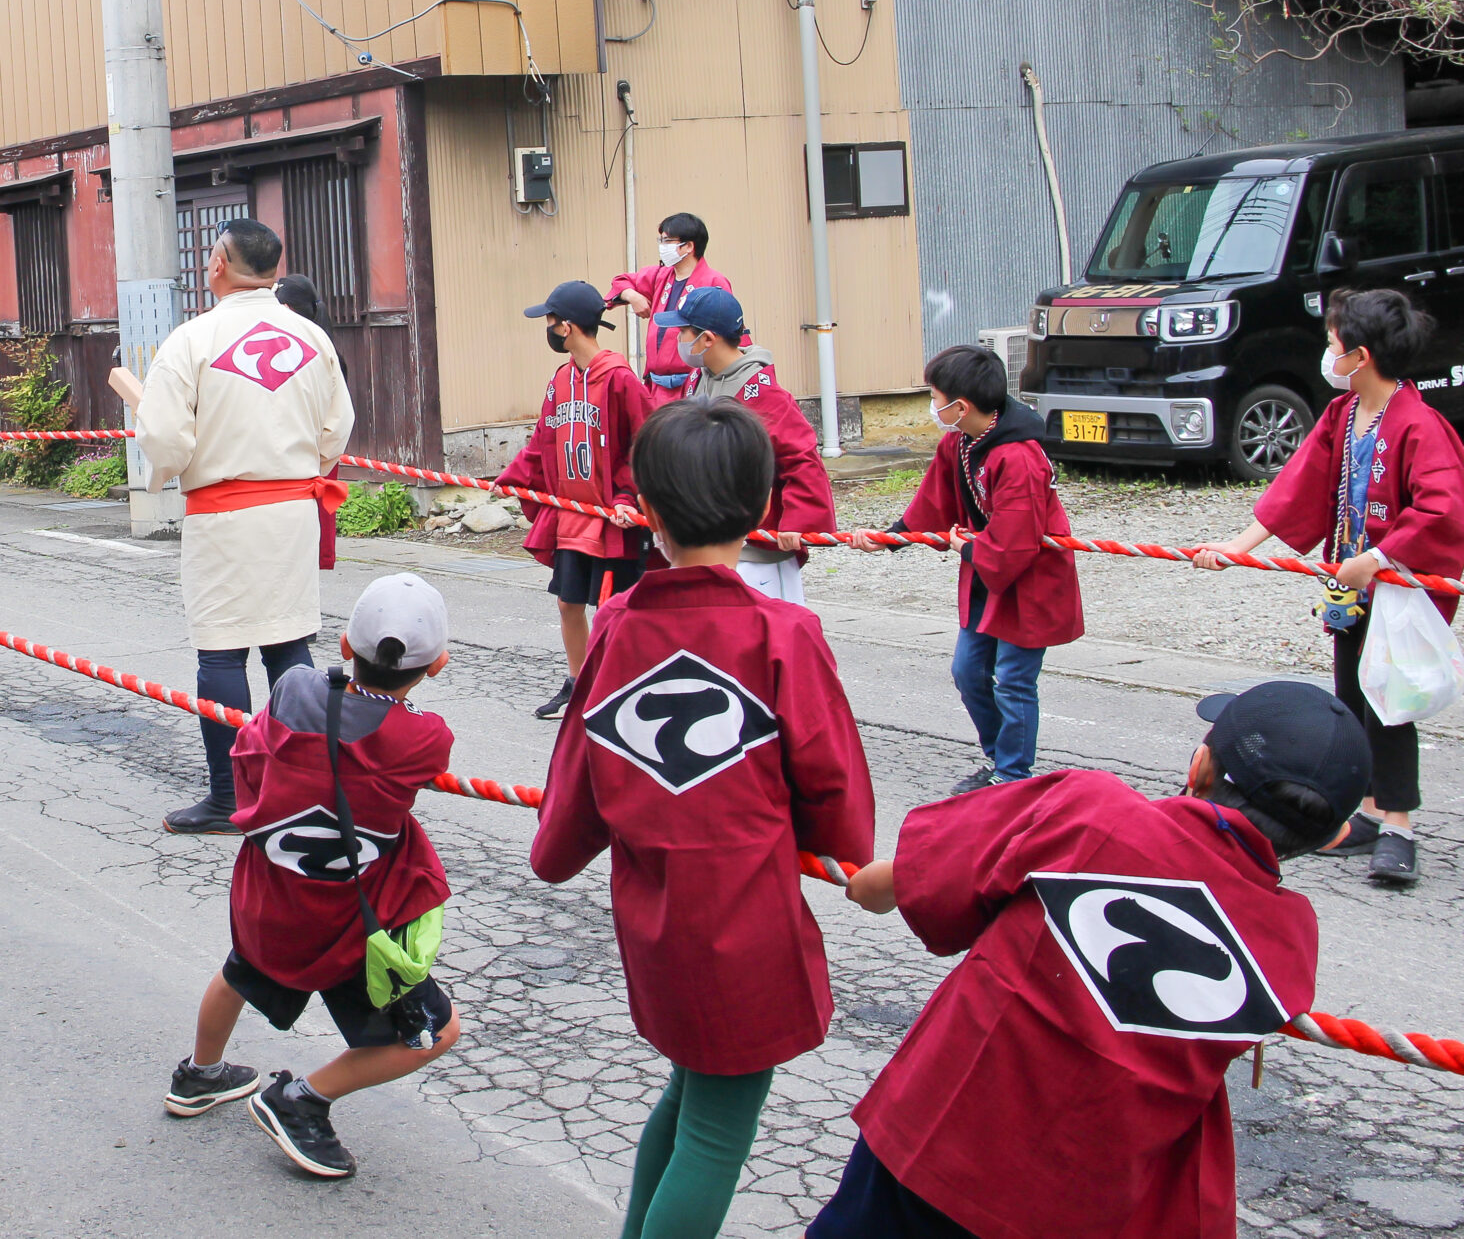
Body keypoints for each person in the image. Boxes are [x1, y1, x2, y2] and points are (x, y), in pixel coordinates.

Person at [812, 680, 1369, 1239]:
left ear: (1199, 765)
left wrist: (869, 885)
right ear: (1333, 836)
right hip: (1082, 1195)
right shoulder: (1291, 940)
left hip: (936, 1135)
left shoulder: (1089, 809)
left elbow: (909, 883)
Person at [532, 399, 875, 1239]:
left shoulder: (614, 625)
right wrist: (843, 850)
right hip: (747, 919)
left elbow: (573, 789)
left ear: (644, 511)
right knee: (720, 1126)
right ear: (763, 507)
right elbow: (836, 798)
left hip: (654, 915)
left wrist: (557, 847)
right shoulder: (783, 632)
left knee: (691, 1091)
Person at [166, 572, 464, 1180]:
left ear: (346, 648)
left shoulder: (293, 689)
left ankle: (198, 1075)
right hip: (345, 925)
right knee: (437, 1031)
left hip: (269, 897)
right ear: (437, 666)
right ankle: (302, 1099)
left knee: (241, 970)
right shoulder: (425, 737)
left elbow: (260, 744)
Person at [1189, 287, 1462, 888]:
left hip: (1396, 587)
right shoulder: (1343, 416)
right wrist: (1238, 547)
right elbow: (1298, 485)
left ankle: (1399, 824)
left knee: (1389, 705)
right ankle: (1363, 808)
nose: (1327, 352)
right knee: (1351, 696)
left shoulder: (1421, 424)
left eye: (1333, 343)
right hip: (1349, 586)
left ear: (1358, 356)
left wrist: (1381, 556)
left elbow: (1443, 510)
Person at [111, 217, 355, 836]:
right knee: (289, 644)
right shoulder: (310, 337)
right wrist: (304, 468)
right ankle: (300, 789)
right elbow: (337, 426)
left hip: (225, 513)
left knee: (222, 652)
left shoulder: (192, 339)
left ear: (217, 262)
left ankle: (230, 796)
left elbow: (165, 436)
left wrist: (170, 468)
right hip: (294, 510)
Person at [885, 344, 1083, 796]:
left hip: (1028, 577)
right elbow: (933, 500)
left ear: (961, 405)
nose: (932, 406)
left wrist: (969, 549)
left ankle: (1013, 775)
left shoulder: (1019, 456)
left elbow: (1016, 539)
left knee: (1014, 680)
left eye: (935, 397)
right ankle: (1000, 757)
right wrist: (895, 537)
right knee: (968, 671)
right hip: (986, 572)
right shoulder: (959, 441)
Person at [499, 281, 650, 722]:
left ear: (567, 327)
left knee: (611, 608)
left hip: (611, 515)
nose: (546, 328)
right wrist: (513, 479)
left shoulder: (621, 380)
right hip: (572, 512)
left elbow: (642, 445)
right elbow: (543, 440)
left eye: (549, 321)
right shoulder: (562, 379)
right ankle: (577, 679)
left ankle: (617, 687)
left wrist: (629, 497)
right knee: (568, 602)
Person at [666, 285, 835, 606]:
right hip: (708, 543)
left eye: (684, 330)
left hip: (757, 556)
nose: (678, 338)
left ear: (707, 338)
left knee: (774, 644)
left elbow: (801, 458)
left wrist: (799, 521)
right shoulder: (697, 379)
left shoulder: (764, 394)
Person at [609, 212, 734, 406]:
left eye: (667, 241)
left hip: (694, 386)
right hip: (656, 388)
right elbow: (621, 282)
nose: (662, 246)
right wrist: (633, 297)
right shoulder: (661, 276)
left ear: (689, 246)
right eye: (661, 240)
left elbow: (729, 334)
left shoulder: (714, 281)